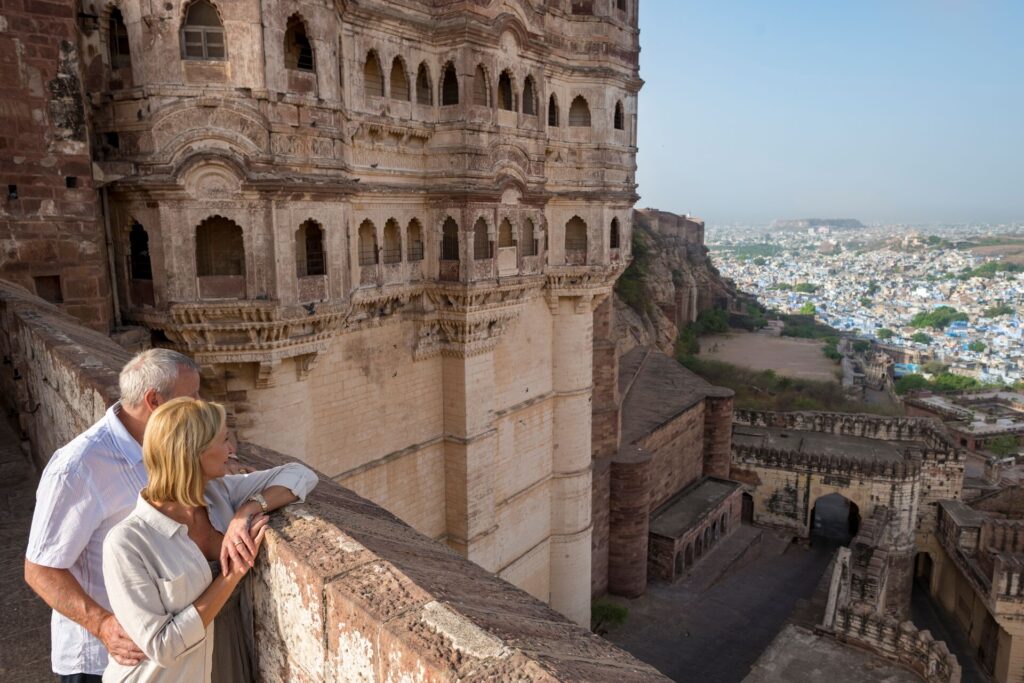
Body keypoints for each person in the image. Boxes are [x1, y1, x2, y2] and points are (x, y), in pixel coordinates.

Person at [102, 397, 318, 682]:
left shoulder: (220, 494)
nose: (231, 450)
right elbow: (162, 646)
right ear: (194, 453)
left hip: (229, 657)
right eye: (224, 440)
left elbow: (301, 474)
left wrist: (247, 510)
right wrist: (231, 575)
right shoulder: (127, 543)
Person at [25, 349, 208, 682]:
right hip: (101, 659)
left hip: (156, 653)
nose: (200, 404)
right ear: (154, 400)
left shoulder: (167, 446)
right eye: (191, 395)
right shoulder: (78, 468)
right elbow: (39, 568)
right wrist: (102, 624)